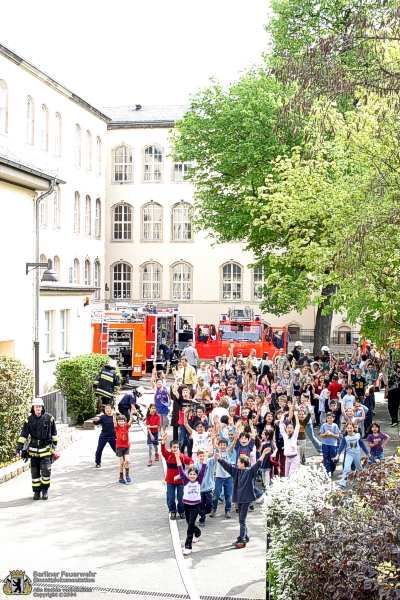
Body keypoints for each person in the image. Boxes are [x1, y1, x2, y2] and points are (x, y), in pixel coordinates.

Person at [214, 446, 270, 548]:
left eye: (239, 462)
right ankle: (246, 536)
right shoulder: (236, 471)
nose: (237, 463)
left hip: (246, 499)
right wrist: (219, 459)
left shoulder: (249, 472)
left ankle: (242, 539)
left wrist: (263, 454)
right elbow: (227, 466)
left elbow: (257, 464)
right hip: (238, 498)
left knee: (242, 519)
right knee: (241, 518)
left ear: (243, 464)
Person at [16, 397, 58, 501]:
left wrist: (55, 445)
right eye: (36, 407)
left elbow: (54, 433)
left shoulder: (49, 418)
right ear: (33, 408)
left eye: (39, 407)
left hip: (46, 449)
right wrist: (19, 448)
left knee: (46, 470)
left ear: (42, 407)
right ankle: (36, 492)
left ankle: (44, 490)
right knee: (34, 472)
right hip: (34, 450)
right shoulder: (29, 420)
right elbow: (23, 435)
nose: (38, 409)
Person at [175, 449, 208, 555]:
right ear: (188, 475)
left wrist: (206, 456)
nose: (192, 476)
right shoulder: (185, 480)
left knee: (190, 527)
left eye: (194, 474)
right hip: (186, 505)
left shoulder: (199, 480)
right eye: (191, 474)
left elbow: (203, 468)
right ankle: (197, 532)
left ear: (197, 476)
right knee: (189, 523)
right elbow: (180, 468)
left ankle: (188, 546)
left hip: (195, 505)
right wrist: (177, 457)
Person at [160, 431, 194, 520]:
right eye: (174, 447)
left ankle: (181, 511)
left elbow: (189, 460)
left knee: (181, 497)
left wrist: (191, 463)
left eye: (177, 447)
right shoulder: (168, 456)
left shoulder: (182, 456)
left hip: (180, 481)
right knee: (170, 498)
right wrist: (163, 441)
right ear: (170, 448)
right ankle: (172, 511)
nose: (175, 449)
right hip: (170, 481)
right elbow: (163, 451)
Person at [333, 422, 370, 487]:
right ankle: (343, 482)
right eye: (348, 428)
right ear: (346, 429)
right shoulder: (345, 437)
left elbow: (362, 444)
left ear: (353, 428)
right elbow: (341, 446)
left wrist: (367, 453)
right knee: (346, 467)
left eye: (351, 428)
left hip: (357, 453)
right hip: (349, 454)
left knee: (359, 467)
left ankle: (361, 477)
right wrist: (338, 455)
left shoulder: (358, 435)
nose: (349, 429)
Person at [210, 437, 234, 519]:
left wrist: (235, 439)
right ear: (219, 446)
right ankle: (213, 509)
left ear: (227, 446)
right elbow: (214, 446)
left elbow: (232, 447)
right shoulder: (218, 452)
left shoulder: (228, 452)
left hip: (228, 476)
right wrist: (213, 439)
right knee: (216, 494)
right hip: (219, 476)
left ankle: (228, 510)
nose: (223, 446)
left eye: (224, 445)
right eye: (221, 445)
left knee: (228, 495)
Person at [193, 446, 217, 527]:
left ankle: (205, 512)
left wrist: (215, 448)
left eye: (203, 455)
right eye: (200, 456)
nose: (202, 457)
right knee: (201, 504)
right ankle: (202, 518)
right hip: (200, 489)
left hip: (209, 487)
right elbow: (192, 475)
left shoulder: (210, 462)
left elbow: (215, 458)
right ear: (198, 457)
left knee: (209, 503)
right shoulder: (196, 465)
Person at [113, 410, 135, 484]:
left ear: (124, 422)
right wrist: (113, 415)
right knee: (121, 462)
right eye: (120, 421)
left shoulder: (126, 427)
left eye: (122, 421)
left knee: (127, 461)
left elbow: (130, 421)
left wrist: (131, 414)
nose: (121, 423)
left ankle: (127, 475)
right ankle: (121, 476)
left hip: (126, 447)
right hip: (119, 447)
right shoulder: (117, 428)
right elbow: (114, 422)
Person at [279, 407, 300, 477]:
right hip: (287, 458)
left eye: (291, 428)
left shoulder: (294, 436)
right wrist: (283, 415)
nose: (289, 429)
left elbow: (297, 426)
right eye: (288, 428)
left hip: (294, 457)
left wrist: (296, 415)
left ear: (293, 430)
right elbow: (281, 426)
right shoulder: (285, 436)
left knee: (292, 474)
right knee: (286, 475)